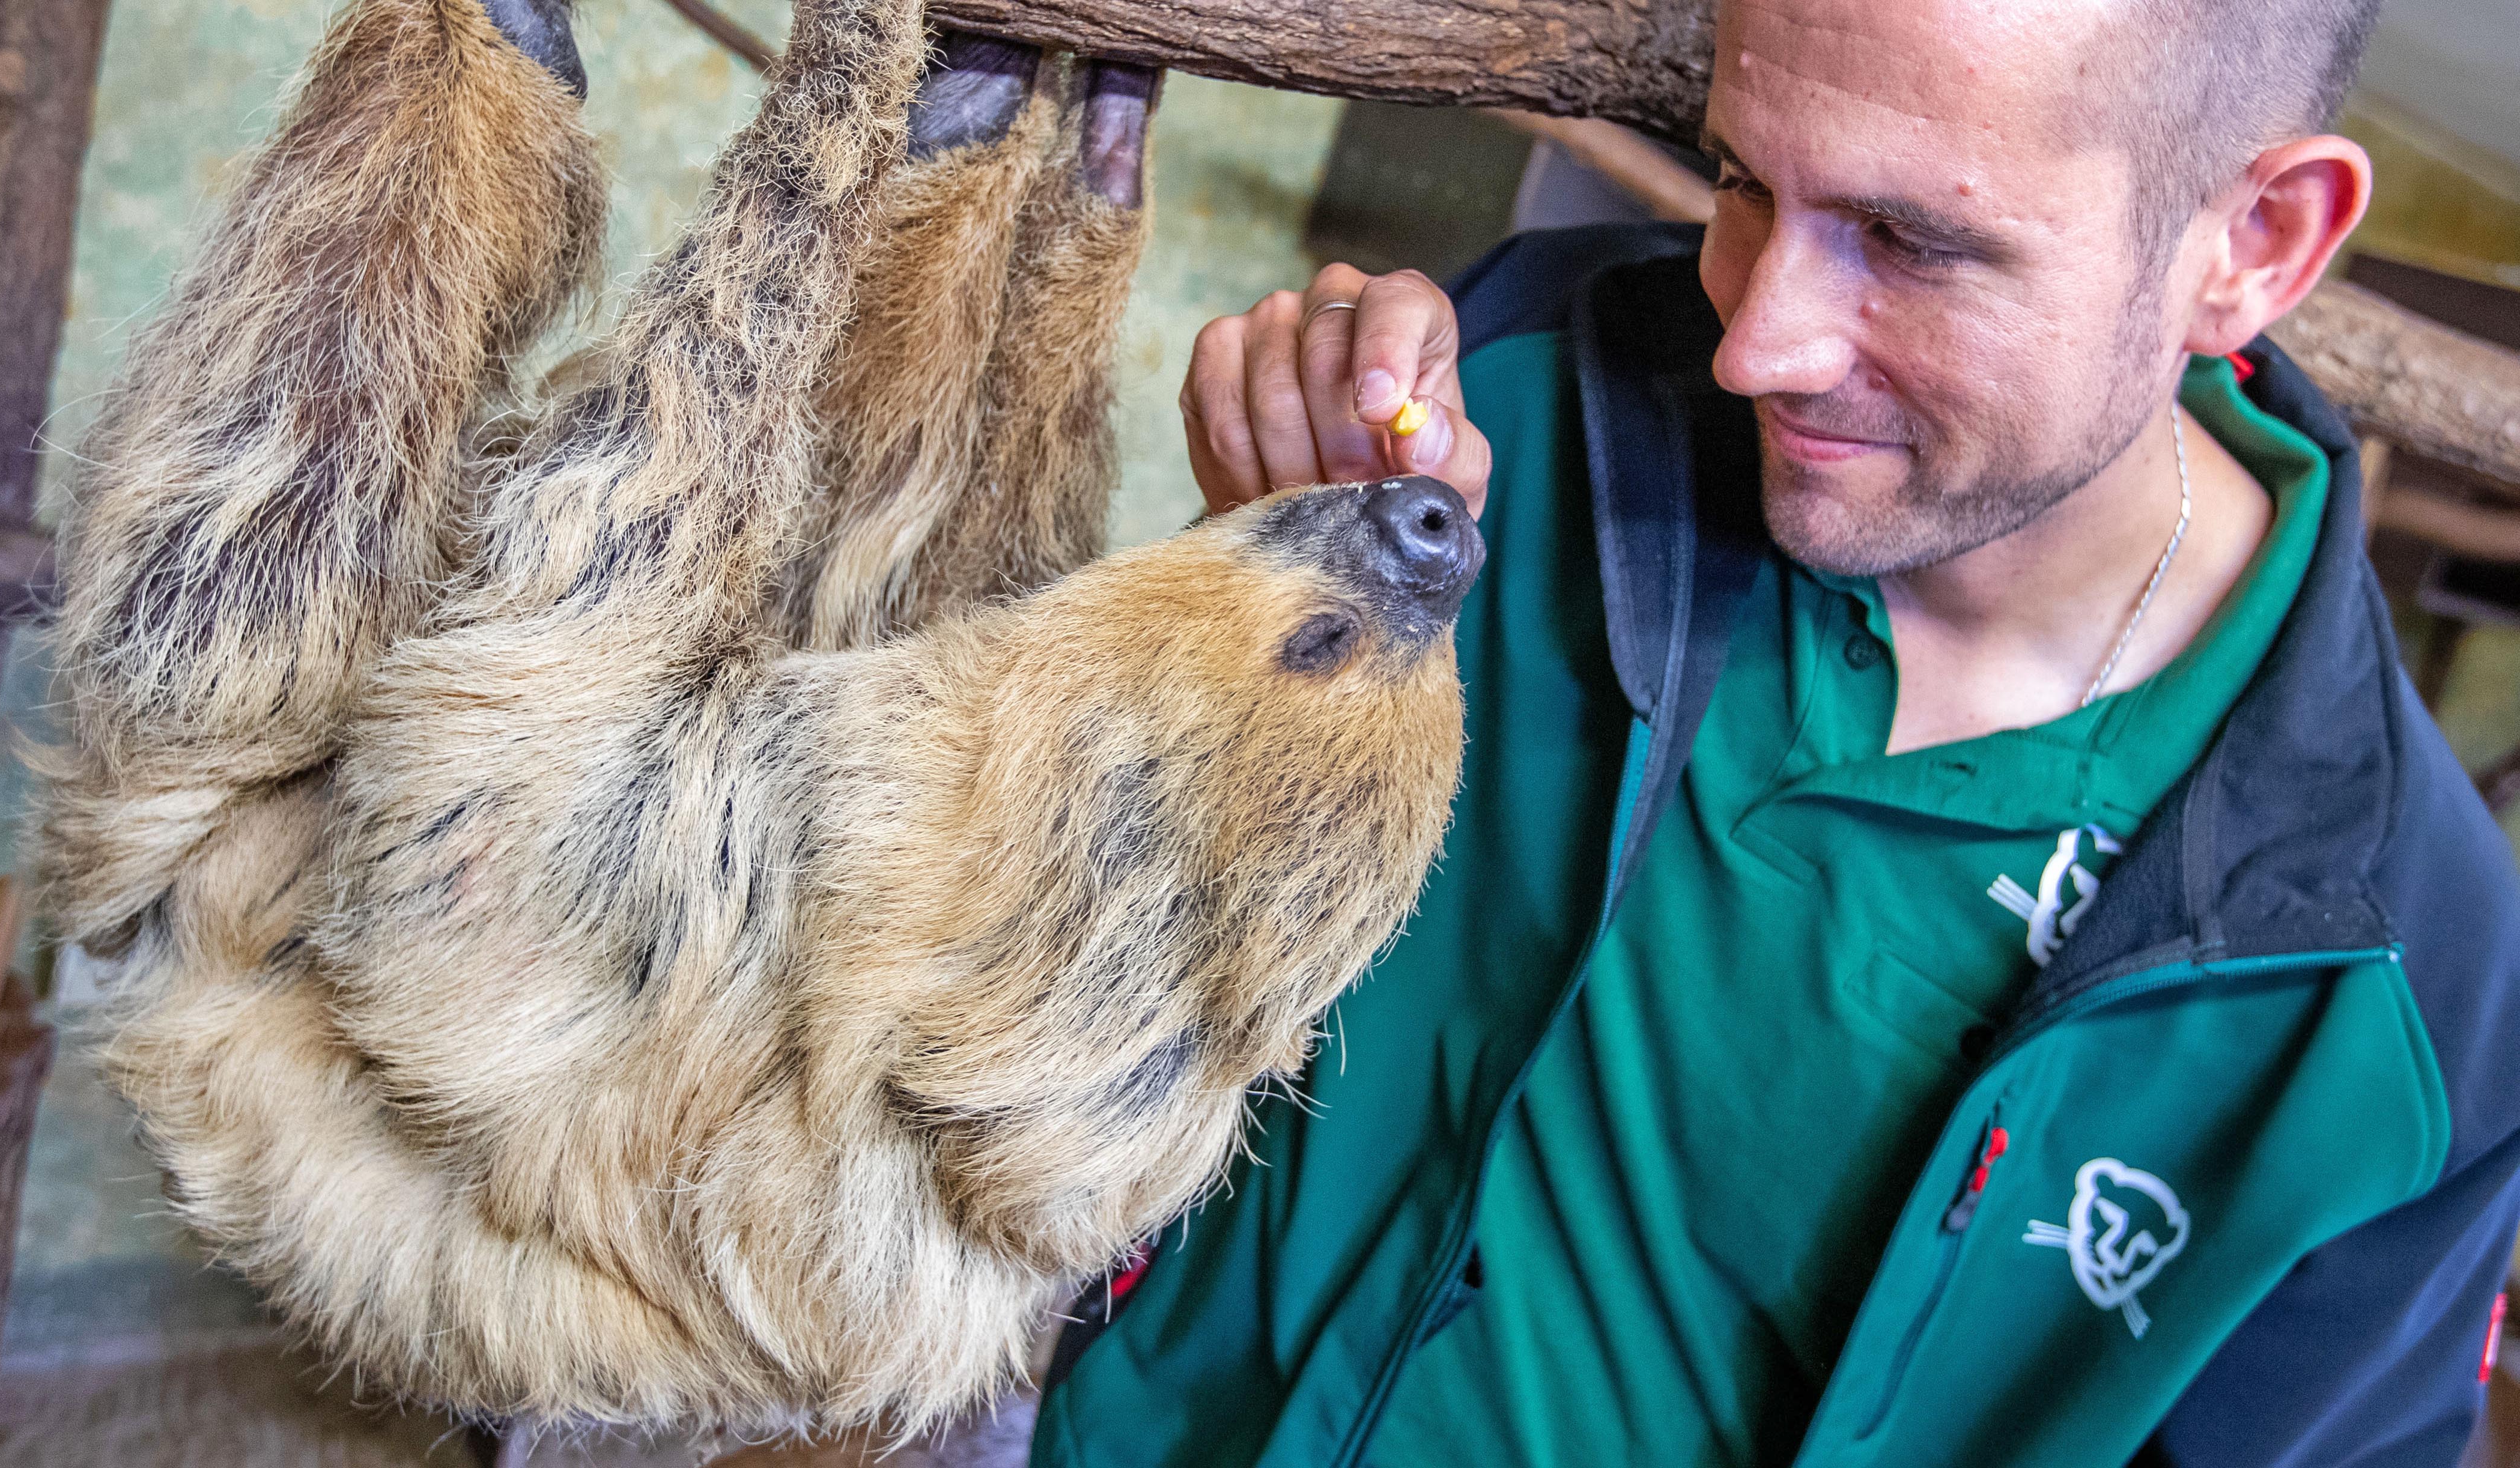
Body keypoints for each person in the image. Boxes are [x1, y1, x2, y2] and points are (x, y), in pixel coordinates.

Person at [1028, 0, 2520, 1463]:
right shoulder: (1532, 385)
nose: (1757, 343)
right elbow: (1110, 942)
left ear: (2256, 244)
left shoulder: (2411, 1000)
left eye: (1910, 241)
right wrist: (1252, 592)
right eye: (1744, 180)